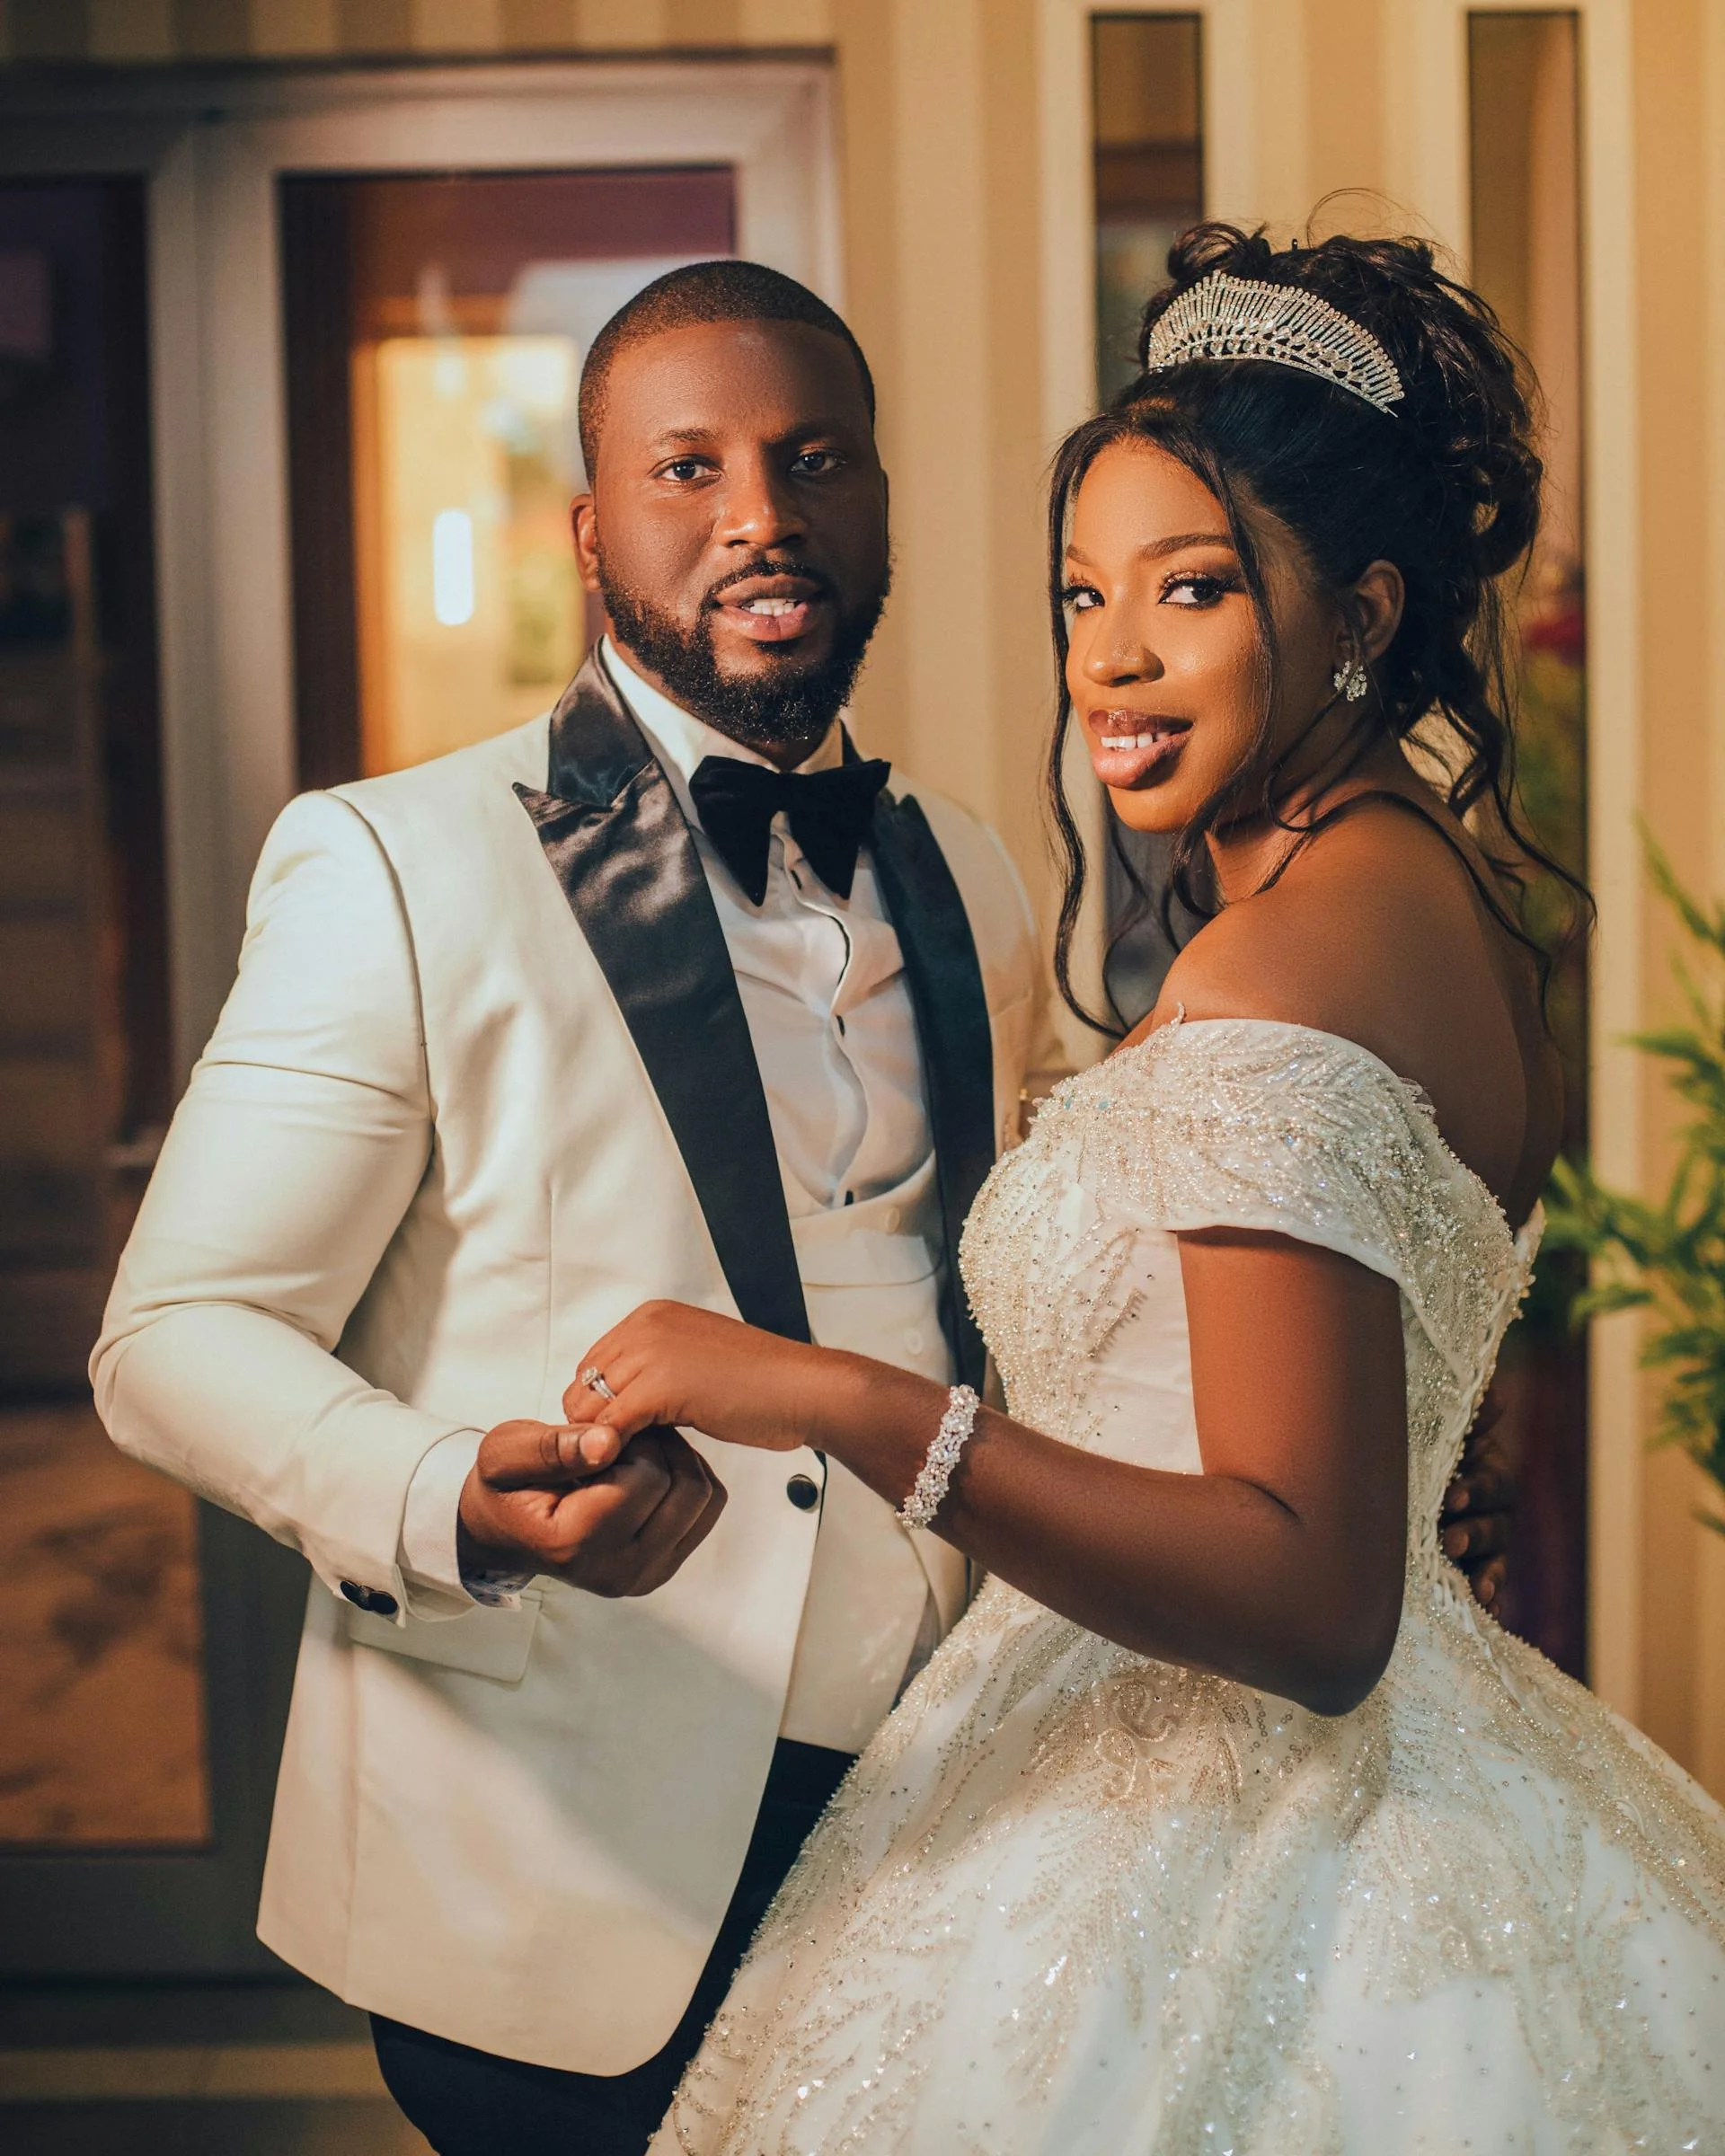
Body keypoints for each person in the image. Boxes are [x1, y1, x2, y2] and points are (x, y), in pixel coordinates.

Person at [559, 228, 1725, 2152]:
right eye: (1083, 594)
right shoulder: (1422, 898)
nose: (1110, 656)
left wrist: (830, 1397)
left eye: (1192, 588)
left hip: (1223, 1835)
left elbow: (1313, 1595)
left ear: (1360, 613)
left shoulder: (1287, 961)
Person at [91, 262, 1040, 2156]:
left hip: (946, 1819)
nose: (760, 512)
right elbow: (171, 1338)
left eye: (813, 460)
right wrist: (450, 1495)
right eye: (690, 467)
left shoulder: (974, 868)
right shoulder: (393, 860)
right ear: (593, 531)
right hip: (567, 1830)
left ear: (878, 506)